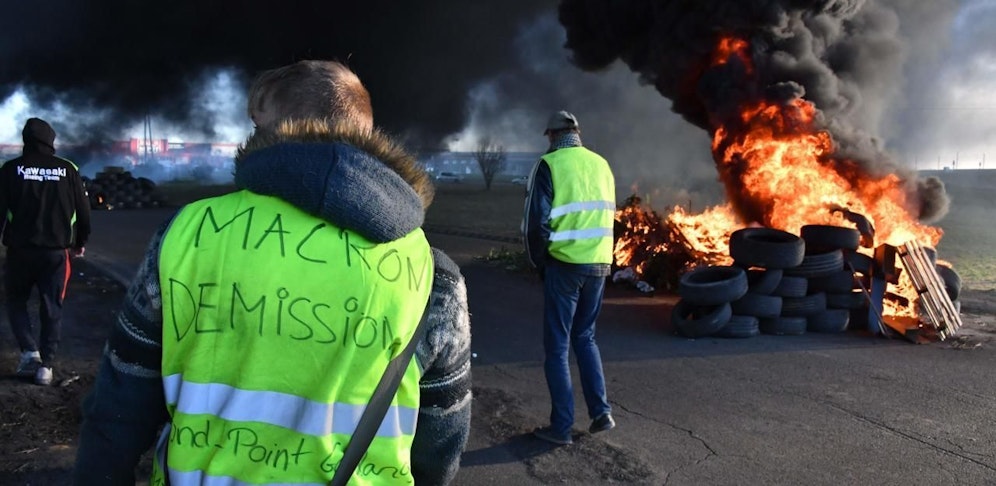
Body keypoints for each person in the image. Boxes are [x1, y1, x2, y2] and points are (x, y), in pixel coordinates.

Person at [74, 60, 472, 485]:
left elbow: (119, 405)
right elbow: (442, 438)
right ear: (366, 131)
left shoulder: (187, 234)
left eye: (255, 123)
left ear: (278, 126)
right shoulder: (432, 274)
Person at [523, 110, 616, 446]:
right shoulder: (602, 164)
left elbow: (536, 223)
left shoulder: (549, 165)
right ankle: (601, 413)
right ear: (577, 132)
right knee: (586, 338)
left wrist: (539, 263)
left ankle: (561, 428)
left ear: (551, 135)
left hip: (564, 265)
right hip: (599, 264)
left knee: (558, 347)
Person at [0, 117, 90, 386]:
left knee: (16, 301)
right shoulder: (68, 169)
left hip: (20, 251)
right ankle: (46, 367)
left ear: (25, 141)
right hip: (56, 253)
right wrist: (80, 241)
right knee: (52, 306)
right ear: (51, 141)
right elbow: (83, 211)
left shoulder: (10, 169)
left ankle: (30, 352)